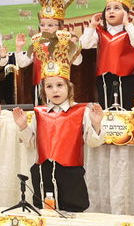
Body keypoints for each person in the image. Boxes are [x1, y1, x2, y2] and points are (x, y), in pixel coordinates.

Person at [13, 32, 104, 213]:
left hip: (71, 175)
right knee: (44, 215)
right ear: (43, 90)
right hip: (42, 172)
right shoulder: (39, 113)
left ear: (69, 87)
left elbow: (94, 142)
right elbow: (30, 144)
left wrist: (96, 124)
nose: (55, 90)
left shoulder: (80, 111)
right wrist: (23, 126)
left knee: (73, 216)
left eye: (59, 85)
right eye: (49, 86)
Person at [82, 0, 134, 110]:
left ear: (126, 13)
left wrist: (128, 24)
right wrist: (92, 26)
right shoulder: (99, 32)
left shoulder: (131, 30)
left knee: (125, 109)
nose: (111, 11)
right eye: (108, 8)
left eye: (117, 8)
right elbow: (85, 44)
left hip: (126, 78)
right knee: (106, 109)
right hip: (104, 79)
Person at [14, 0, 81, 102]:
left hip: (61, 88)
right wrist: (19, 48)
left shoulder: (65, 42)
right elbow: (23, 63)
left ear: (60, 26)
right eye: (42, 25)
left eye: (50, 25)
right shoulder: (37, 42)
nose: (45, 28)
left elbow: (78, 62)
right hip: (41, 88)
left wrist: (74, 46)